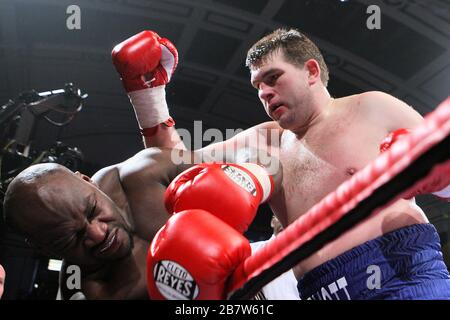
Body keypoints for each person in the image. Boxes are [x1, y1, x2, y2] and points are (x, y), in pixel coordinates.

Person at [131, 28, 450, 299]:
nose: (265, 93)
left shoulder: (373, 108)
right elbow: (169, 166)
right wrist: (147, 93)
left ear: (311, 71)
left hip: (402, 276)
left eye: (273, 78)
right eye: (258, 87)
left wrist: (443, 179)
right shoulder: (263, 142)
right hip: (317, 290)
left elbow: (444, 163)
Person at [2, 147, 281, 300]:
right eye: (72, 238)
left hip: (277, 277)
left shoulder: (146, 171)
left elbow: (266, 156)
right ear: (46, 248)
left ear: (87, 181)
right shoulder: (88, 291)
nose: (98, 234)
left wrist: (248, 180)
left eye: (91, 211)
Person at [250, 215, 299, 300]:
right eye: (280, 217)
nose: (284, 223)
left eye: (289, 219)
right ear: (272, 221)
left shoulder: (307, 257)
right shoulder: (251, 251)